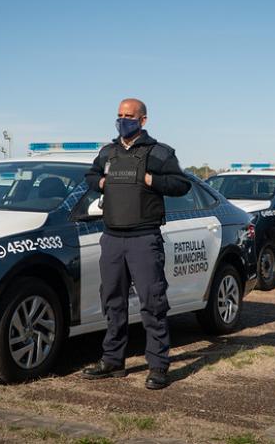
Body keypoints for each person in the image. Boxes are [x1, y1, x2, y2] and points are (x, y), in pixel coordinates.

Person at [81, 98, 191, 389]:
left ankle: (158, 367)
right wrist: (101, 182)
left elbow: (182, 184)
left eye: (129, 116)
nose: (122, 120)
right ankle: (113, 360)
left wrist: (150, 179)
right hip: (112, 238)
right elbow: (90, 176)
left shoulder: (159, 152)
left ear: (143, 120)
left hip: (144, 237)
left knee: (153, 304)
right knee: (112, 301)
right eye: (119, 115)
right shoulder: (108, 152)